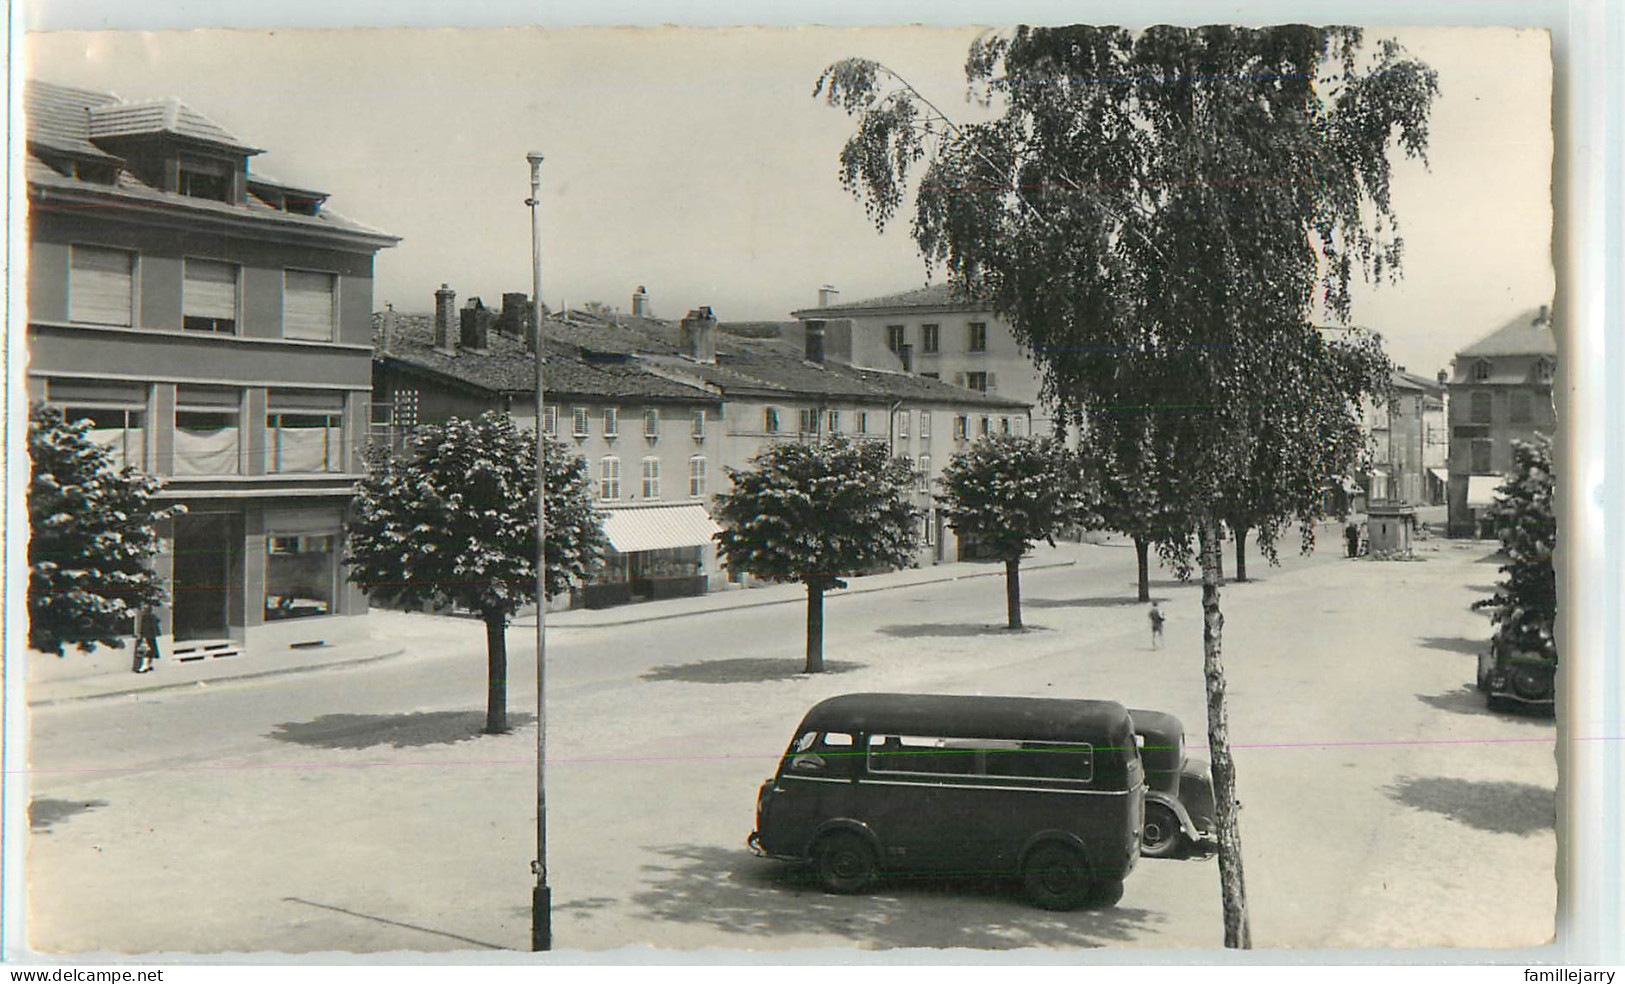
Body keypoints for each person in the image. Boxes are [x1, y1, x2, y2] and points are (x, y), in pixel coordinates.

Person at [132, 607, 161, 674]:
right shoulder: (153, 616)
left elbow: (144, 628)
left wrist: (142, 636)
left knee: (146, 652)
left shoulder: (145, 617)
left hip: (147, 636)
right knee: (151, 651)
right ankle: (149, 665)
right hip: (152, 637)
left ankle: (144, 667)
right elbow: (156, 626)